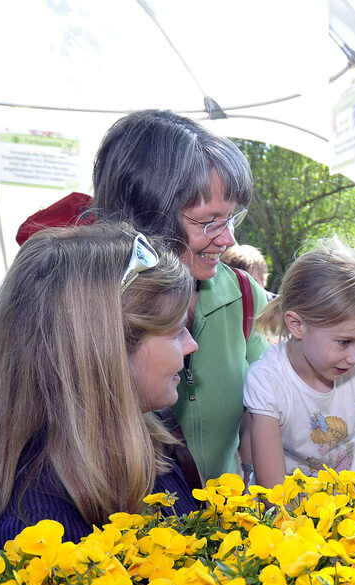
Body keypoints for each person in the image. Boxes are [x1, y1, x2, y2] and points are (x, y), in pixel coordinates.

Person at [0, 224, 198, 585]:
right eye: (176, 332)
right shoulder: (32, 534)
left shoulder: (143, 445)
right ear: (104, 352)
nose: (192, 344)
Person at [90, 110, 269, 483]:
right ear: (146, 215)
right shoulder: (87, 310)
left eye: (231, 219)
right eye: (209, 222)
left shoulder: (244, 297)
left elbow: (269, 407)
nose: (229, 239)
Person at [243, 237, 355, 501]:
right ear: (297, 325)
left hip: (346, 509)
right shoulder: (268, 380)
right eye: (345, 342)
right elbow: (272, 488)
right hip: (286, 519)